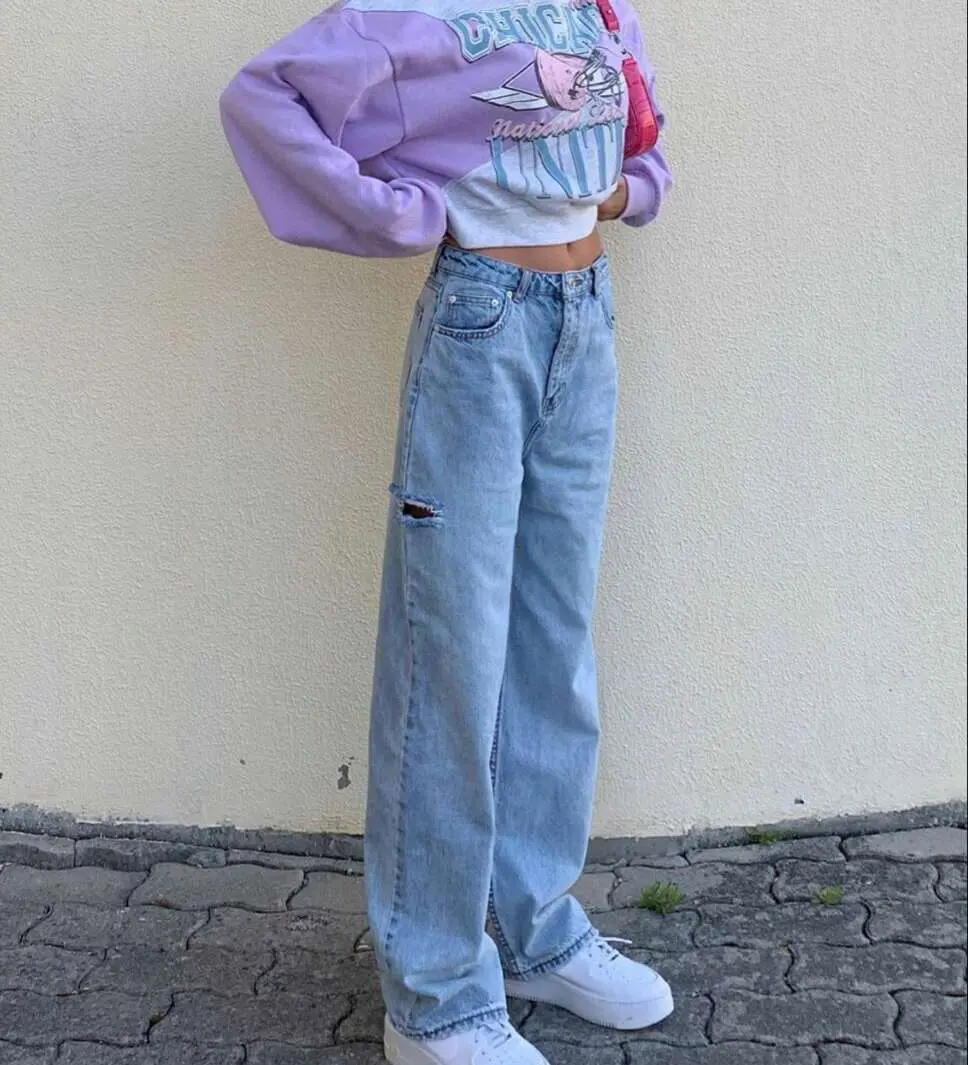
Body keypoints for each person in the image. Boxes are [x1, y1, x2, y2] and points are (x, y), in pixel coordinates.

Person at [219, 1, 674, 1061]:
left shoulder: (594, 3)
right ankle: (432, 997)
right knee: (451, 659)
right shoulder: (411, 10)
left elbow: (633, 132)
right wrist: (397, 215)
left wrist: (623, 191)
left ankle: (536, 931)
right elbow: (263, 99)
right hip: (482, 323)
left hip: (585, 320)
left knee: (553, 647)